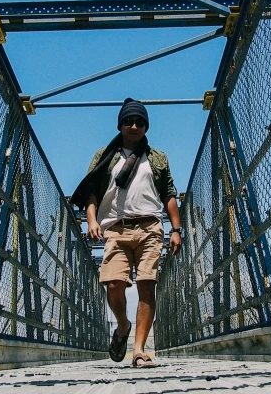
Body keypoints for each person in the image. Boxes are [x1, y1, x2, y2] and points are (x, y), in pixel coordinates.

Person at [71, 98, 182, 368]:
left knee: (147, 285)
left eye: (140, 122)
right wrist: (91, 220)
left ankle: (139, 351)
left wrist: (176, 229)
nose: (134, 126)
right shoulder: (105, 156)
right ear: (120, 124)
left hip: (149, 227)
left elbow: (169, 195)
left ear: (146, 126)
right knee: (113, 284)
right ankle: (123, 326)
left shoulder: (157, 158)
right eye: (128, 121)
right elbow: (92, 191)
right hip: (115, 229)